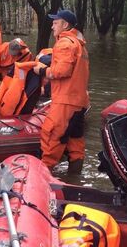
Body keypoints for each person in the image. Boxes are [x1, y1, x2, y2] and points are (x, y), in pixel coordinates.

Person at [33, 10, 89, 174]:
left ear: (65, 25)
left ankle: (42, 178)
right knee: (75, 142)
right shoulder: (80, 45)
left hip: (66, 101)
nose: (52, 26)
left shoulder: (65, 43)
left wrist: (42, 70)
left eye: (55, 22)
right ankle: (74, 179)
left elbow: (61, 71)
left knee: (51, 137)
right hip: (79, 102)